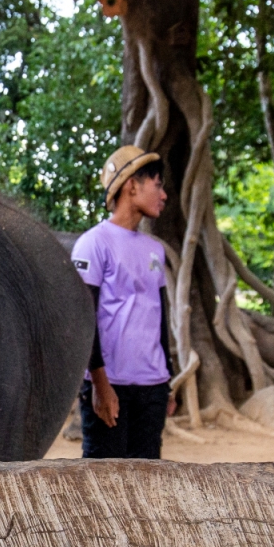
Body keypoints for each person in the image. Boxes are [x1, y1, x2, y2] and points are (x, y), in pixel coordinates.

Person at [71, 145, 176, 459]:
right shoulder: (93, 243)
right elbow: (84, 319)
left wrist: (166, 380)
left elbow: (160, 318)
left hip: (152, 388)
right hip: (110, 386)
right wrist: (101, 386)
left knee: (147, 487)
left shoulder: (155, 250)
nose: (164, 195)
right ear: (132, 185)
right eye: (157, 185)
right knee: (102, 487)